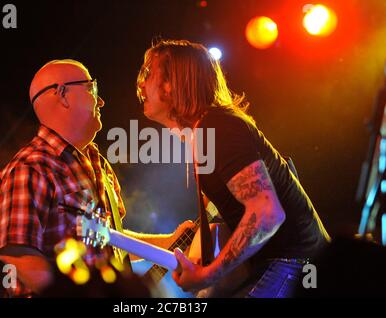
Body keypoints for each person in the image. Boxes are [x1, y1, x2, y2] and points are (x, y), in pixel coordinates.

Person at [136, 39, 331, 298]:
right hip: (284, 264)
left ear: (173, 83)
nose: (140, 82)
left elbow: (266, 214)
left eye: (149, 72)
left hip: (294, 263)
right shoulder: (205, 133)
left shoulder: (217, 128)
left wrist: (209, 274)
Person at [0, 59, 185, 297]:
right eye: (92, 89)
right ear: (62, 95)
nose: (101, 100)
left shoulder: (97, 162)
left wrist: (170, 242)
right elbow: (17, 253)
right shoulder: (31, 167)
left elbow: (109, 242)